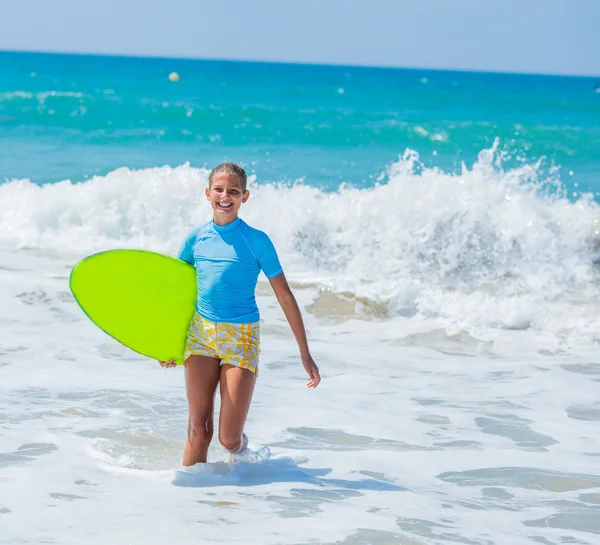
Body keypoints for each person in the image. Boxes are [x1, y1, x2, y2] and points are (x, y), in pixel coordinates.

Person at [160, 162, 321, 466]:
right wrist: (166, 345)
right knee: (198, 430)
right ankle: (190, 501)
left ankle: (245, 458)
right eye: (218, 190)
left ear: (245, 196)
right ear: (207, 193)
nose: (225, 196)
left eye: (233, 191)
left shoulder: (257, 241)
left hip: (241, 337)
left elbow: (285, 297)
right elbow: (177, 295)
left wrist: (305, 352)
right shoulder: (195, 240)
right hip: (201, 334)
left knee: (228, 438)